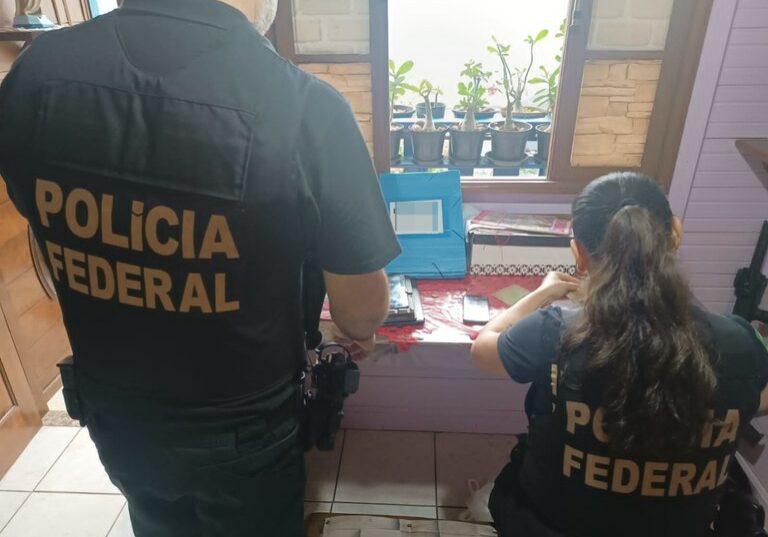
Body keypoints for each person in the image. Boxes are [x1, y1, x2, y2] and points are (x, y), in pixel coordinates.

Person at [0, 0, 400, 535]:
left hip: (116, 415)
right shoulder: (303, 105)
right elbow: (361, 312)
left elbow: (41, 228)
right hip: (245, 430)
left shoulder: (35, 73)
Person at [471, 172, 768, 537]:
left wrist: (544, 292)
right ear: (675, 234)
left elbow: (483, 348)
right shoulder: (740, 341)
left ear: (579, 254)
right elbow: (756, 397)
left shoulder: (556, 331)